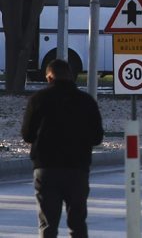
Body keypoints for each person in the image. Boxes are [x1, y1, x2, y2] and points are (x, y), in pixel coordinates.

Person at [21, 58, 104, 238]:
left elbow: (27, 134)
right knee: (77, 223)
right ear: (71, 76)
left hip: (46, 168)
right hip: (77, 169)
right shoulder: (87, 101)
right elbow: (97, 137)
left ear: (49, 77)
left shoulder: (38, 99)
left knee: (48, 224)